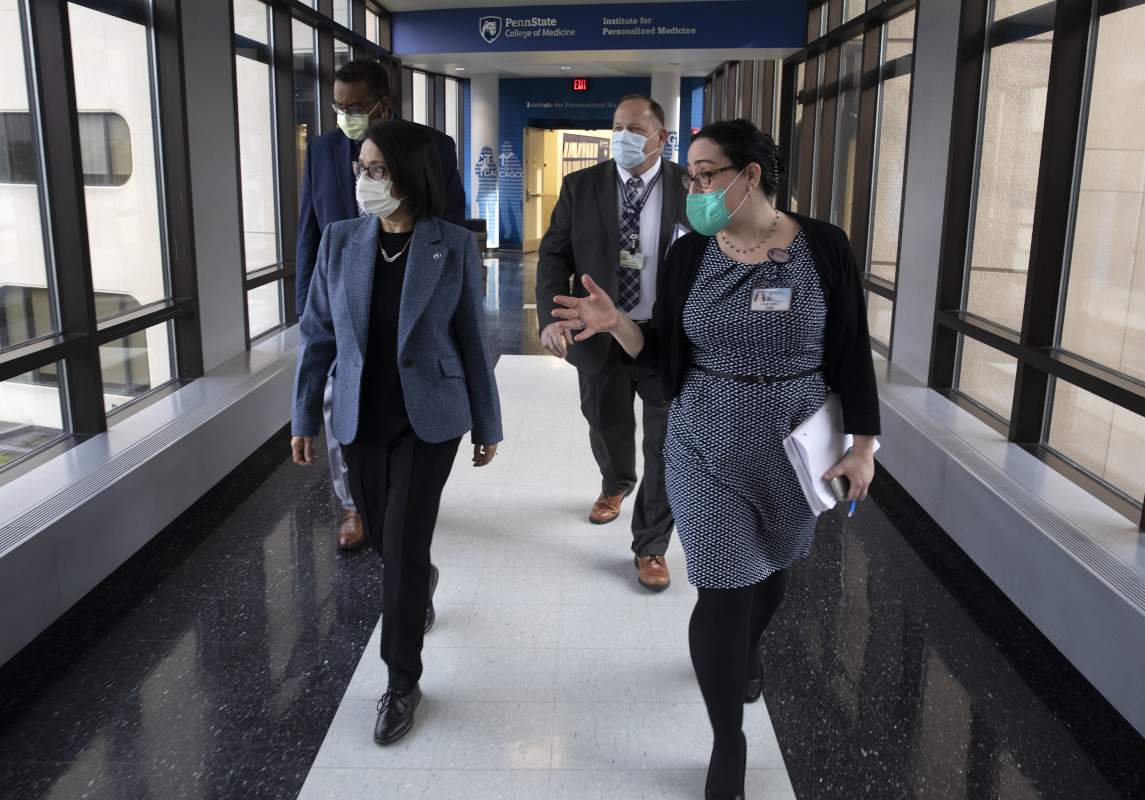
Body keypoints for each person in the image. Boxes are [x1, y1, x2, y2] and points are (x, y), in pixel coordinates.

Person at [549, 119, 880, 799]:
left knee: (773, 577)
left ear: (750, 175)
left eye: (706, 174)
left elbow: (850, 351)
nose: (694, 188)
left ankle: (747, 651)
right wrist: (619, 325)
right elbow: (665, 349)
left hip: (796, 445)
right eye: (691, 175)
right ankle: (728, 740)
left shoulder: (824, 247)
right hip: (704, 436)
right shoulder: (690, 253)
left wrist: (864, 448)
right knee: (724, 588)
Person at [291, 120, 501, 745]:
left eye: (376, 170)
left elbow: (471, 339)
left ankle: (401, 680)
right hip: (360, 415)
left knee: (403, 546)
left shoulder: (453, 244)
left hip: (428, 419)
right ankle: (422, 580)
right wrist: (304, 414)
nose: (363, 180)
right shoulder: (340, 241)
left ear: (409, 175)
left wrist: (488, 423)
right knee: (386, 538)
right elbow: (318, 336)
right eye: (360, 168)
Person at [296, 58, 466, 552]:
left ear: (382, 105)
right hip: (344, 305)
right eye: (337, 106)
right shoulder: (325, 149)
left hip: (409, 295)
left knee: (406, 410)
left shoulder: (432, 147)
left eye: (354, 107)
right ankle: (354, 505)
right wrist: (311, 303)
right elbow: (311, 229)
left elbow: (448, 226)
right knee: (339, 405)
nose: (344, 115)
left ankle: (396, 507)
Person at [535, 94, 690, 591]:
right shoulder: (582, 186)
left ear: (661, 137)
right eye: (617, 126)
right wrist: (550, 318)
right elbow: (554, 254)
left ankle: (651, 545)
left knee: (667, 443)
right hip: (598, 333)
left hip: (662, 336)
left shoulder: (689, 187)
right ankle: (616, 482)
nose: (621, 137)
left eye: (634, 128)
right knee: (606, 421)